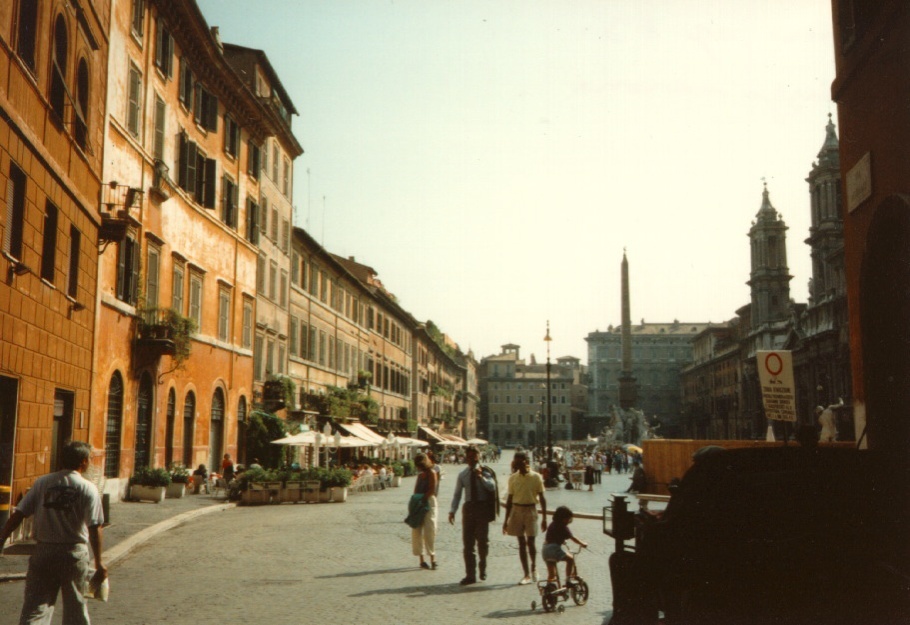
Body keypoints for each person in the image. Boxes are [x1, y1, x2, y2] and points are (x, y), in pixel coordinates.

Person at [0, 440, 106, 625]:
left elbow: (19, 514)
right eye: (89, 458)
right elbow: (95, 526)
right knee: (75, 608)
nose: (90, 462)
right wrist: (99, 562)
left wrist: (2, 538)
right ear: (83, 462)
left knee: (36, 607)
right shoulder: (88, 488)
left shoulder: (43, 482)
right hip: (73, 553)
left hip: (44, 551)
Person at [449, 446, 498, 585]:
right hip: (469, 508)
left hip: (482, 508)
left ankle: (483, 564)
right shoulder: (462, 474)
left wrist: (481, 477)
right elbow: (457, 494)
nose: (471, 460)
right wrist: (453, 510)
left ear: (479, 456)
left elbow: (492, 487)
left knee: (482, 541)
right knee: (468, 543)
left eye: (474, 457)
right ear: (466, 458)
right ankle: (470, 575)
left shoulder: (485, 471)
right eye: (469, 457)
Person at [502, 451, 547, 585]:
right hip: (516, 510)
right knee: (521, 543)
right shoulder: (513, 478)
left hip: (531, 509)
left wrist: (545, 518)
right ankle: (526, 573)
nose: (517, 465)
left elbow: (543, 498)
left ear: (526, 462)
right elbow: (509, 500)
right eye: (515, 462)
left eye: (519, 462)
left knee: (531, 542)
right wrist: (506, 520)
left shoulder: (536, 477)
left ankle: (534, 567)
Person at [542, 506, 587, 584]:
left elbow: (553, 536)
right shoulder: (563, 527)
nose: (568, 520)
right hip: (554, 549)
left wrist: (561, 541)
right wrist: (582, 543)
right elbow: (572, 538)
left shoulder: (552, 524)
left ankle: (548, 588)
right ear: (563, 518)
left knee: (552, 575)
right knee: (570, 559)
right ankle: (568, 580)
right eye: (568, 518)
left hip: (545, 550)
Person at [411, 453, 438, 570]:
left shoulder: (432, 473)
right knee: (416, 530)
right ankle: (421, 559)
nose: (419, 468)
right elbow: (416, 490)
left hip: (429, 502)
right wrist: (416, 501)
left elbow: (432, 489)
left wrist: (423, 498)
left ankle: (433, 558)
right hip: (419, 502)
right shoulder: (420, 475)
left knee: (429, 530)